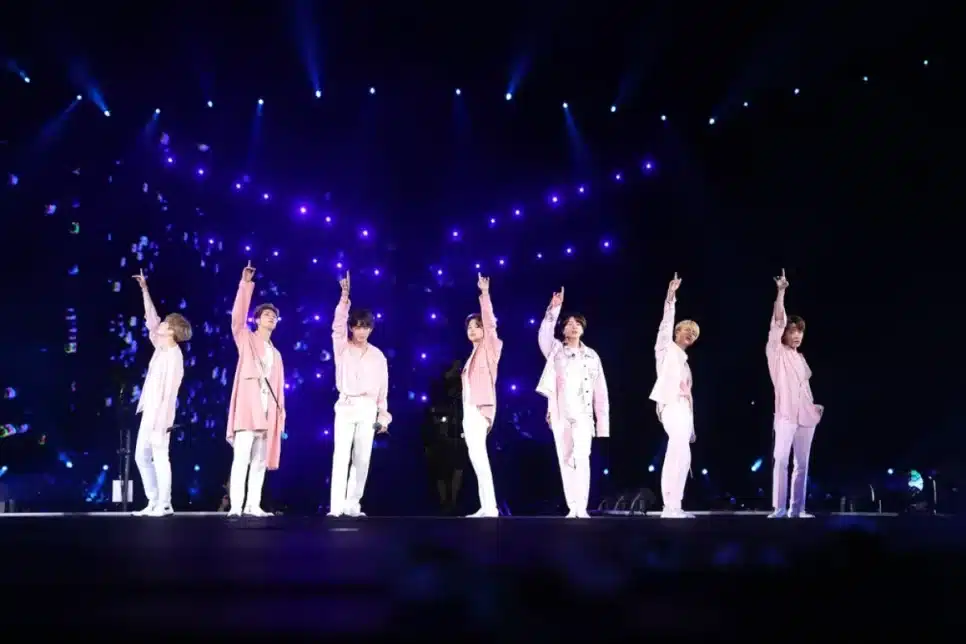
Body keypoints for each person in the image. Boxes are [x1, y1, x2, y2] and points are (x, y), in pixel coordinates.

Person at [536, 287, 610, 519]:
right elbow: (544, 334)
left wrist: (603, 425)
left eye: (578, 323)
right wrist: (554, 308)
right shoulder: (556, 351)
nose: (574, 326)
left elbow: (601, 392)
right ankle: (572, 507)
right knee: (566, 459)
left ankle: (582, 507)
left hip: (583, 415)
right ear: (563, 330)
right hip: (560, 412)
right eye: (569, 323)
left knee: (582, 456)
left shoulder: (592, 356)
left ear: (583, 328)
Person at [329, 271, 391, 518]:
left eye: (365, 327)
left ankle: (352, 504)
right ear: (351, 328)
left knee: (362, 458)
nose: (361, 331)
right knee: (341, 455)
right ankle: (336, 507)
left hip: (367, 407)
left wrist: (383, 417)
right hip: (346, 404)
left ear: (371, 328)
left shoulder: (378, 356)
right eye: (357, 326)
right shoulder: (342, 347)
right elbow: (337, 326)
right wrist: (344, 298)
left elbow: (382, 391)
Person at [226, 261, 286, 517]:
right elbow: (237, 318)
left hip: (267, 410)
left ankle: (253, 505)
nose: (271, 318)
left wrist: (280, 414)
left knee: (259, 460)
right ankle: (236, 506)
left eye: (274, 316)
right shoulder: (246, 338)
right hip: (248, 407)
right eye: (266, 315)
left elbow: (279, 389)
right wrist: (246, 284)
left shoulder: (277, 354)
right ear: (257, 320)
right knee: (241, 458)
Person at [130, 269, 192, 517]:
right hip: (149, 410)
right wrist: (145, 290)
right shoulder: (160, 347)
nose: (161, 325)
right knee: (140, 456)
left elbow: (170, 392)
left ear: (172, 331)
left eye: (166, 324)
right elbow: (151, 318)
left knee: (159, 455)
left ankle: (165, 503)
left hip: (161, 414)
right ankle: (153, 500)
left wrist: (163, 420)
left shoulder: (174, 356)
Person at [766, 269, 824, 519]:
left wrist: (813, 407)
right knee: (781, 460)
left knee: (802, 464)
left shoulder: (800, 358)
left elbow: (805, 386)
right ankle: (779, 508)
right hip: (786, 414)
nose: (797, 335)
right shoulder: (776, 352)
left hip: (806, 415)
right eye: (792, 331)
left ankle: (797, 509)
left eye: (800, 331)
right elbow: (777, 321)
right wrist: (781, 292)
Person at [649, 273, 699, 519]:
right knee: (676, 447)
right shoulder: (665, 348)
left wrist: (692, 425)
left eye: (694, 334)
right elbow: (666, 323)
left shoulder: (686, 364)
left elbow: (689, 397)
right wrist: (671, 296)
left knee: (684, 454)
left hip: (684, 410)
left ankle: (676, 504)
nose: (690, 334)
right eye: (687, 330)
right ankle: (668, 506)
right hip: (669, 404)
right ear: (677, 331)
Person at [461, 273, 503, 518]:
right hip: (469, 411)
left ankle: (490, 507)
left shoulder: (490, 347)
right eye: (469, 327)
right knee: (476, 458)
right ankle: (486, 505)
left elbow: (490, 323)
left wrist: (484, 295)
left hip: (480, 408)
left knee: (480, 457)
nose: (472, 330)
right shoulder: (472, 355)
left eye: (476, 326)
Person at [422, 361, 466, 515]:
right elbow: (431, 409)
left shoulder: (463, 385)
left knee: (457, 469)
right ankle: (443, 502)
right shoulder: (439, 387)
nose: (457, 370)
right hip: (441, 436)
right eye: (455, 367)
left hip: (457, 434)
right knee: (440, 471)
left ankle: (453, 501)